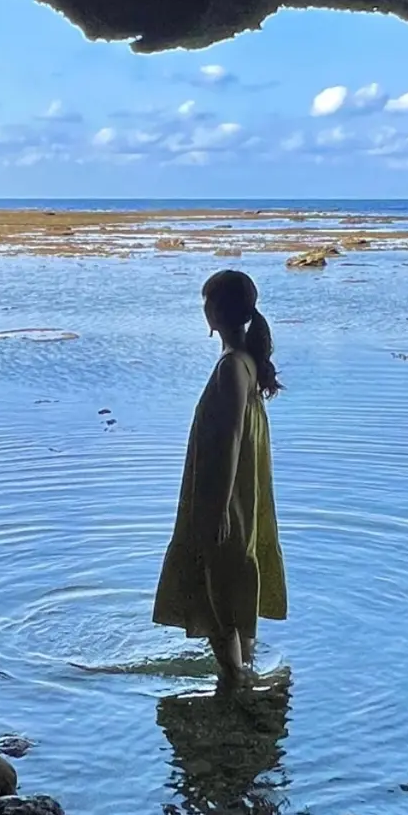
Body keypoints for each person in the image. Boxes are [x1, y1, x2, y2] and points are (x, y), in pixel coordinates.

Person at [153, 270, 287, 681]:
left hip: (222, 494)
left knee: (218, 586)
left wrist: (221, 505)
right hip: (238, 494)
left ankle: (235, 682)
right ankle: (243, 671)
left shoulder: (232, 367)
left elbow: (229, 438)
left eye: (206, 301)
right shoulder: (245, 361)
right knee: (233, 578)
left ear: (215, 311)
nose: (203, 308)